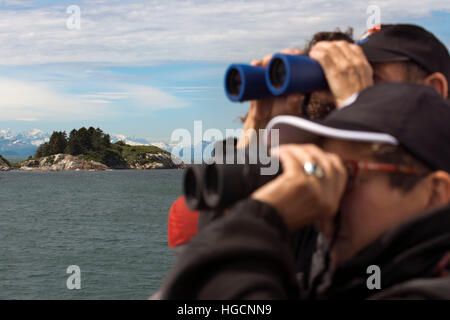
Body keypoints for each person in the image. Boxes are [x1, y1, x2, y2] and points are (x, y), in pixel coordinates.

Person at [159, 82, 450, 299]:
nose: (325, 198)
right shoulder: (351, 277)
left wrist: (259, 219)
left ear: (435, 194)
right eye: (323, 170)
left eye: (345, 174)